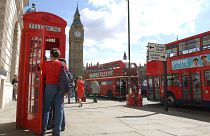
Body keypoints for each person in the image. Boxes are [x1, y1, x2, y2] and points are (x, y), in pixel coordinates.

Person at [42, 48, 66, 136]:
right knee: (59, 109)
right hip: (60, 87)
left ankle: (43, 129)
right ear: (58, 55)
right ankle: (57, 131)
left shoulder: (46, 64)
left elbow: (43, 74)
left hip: (49, 87)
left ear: (51, 55)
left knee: (46, 108)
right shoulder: (63, 64)